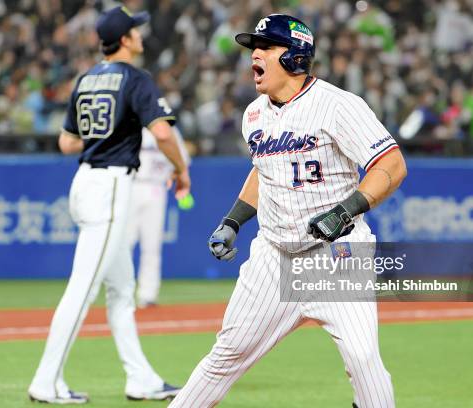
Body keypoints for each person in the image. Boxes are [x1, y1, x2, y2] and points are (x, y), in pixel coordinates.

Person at [169, 14, 406, 408]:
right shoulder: (254, 114)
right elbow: (264, 171)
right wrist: (233, 221)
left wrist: (345, 210)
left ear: (295, 58)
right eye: (253, 48)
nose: (254, 56)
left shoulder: (338, 105)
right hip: (273, 257)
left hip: (336, 257)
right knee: (226, 356)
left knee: (364, 361)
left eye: (265, 48)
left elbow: (391, 165)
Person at [28, 6, 190, 404]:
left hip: (85, 183)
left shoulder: (85, 80)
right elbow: (164, 134)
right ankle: (45, 382)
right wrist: (181, 170)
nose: (139, 35)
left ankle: (142, 380)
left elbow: (66, 142)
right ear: (124, 39)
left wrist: (103, 134)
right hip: (112, 186)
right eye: (134, 30)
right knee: (82, 290)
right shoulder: (136, 79)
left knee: (122, 289)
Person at [126, 127, 190, 308]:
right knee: (125, 244)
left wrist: (178, 176)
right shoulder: (130, 124)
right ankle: (124, 294)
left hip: (156, 187)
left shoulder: (170, 131)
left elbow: (182, 160)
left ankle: (148, 295)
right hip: (130, 186)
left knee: (152, 246)